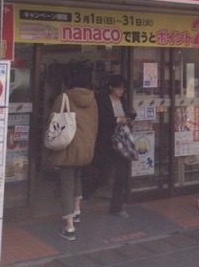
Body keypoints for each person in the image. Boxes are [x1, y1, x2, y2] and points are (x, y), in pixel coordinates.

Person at [47, 67, 97, 241]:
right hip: (85, 148)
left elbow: (53, 122)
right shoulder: (92, 100)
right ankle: (76, 211)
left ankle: (69, 227)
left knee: (66, 185)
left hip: (68, 148)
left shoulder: (64, 98)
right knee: (77, 178)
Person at [88, 74, 137, 217]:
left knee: (121, 175)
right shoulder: (101, 100)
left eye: (123, 88)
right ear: (111, 88)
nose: (121, 91)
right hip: (106, 141)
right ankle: (83, 194)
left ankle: (117, 207)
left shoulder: (124, 101)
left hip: (121, 142)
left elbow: (128, 114)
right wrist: (117, 120)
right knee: (103, 175)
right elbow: (101, 120)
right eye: (118, 88)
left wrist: (128, 120)